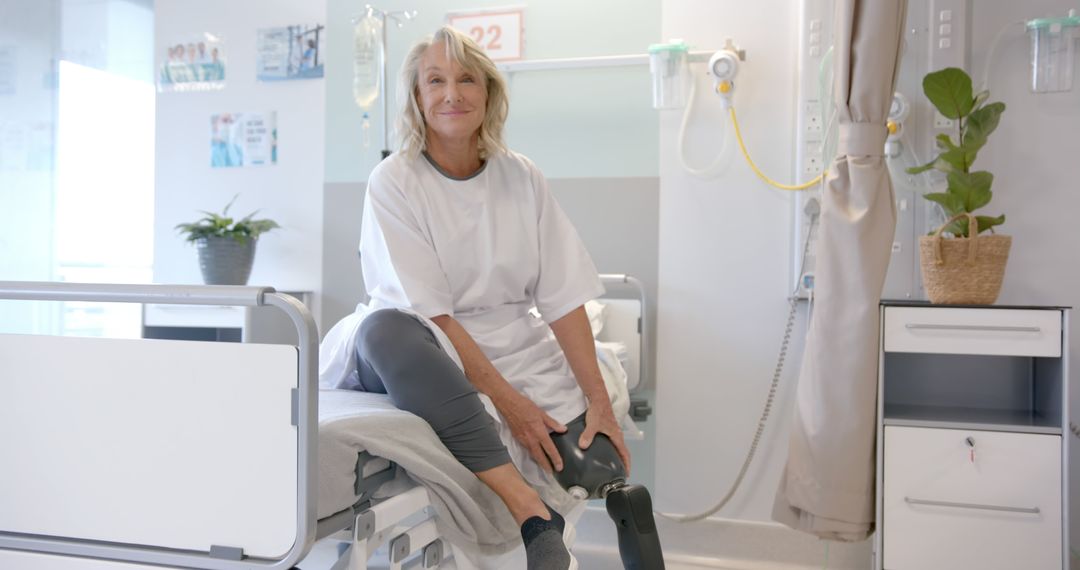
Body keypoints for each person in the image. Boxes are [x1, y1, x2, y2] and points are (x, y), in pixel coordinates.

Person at [319, 26, 629, 570]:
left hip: (512, 341)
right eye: (434, 80)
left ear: (489, 94)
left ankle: (544, 516)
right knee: (386, 328)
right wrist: (514, 408)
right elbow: (428, 312)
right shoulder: (394, 181)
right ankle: (531, 513)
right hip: (414, 346)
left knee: (587, 457)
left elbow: (563, 295)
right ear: (417, 97)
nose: (451, 94)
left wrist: (599, 402)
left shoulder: (522, 177)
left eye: (467, 79)